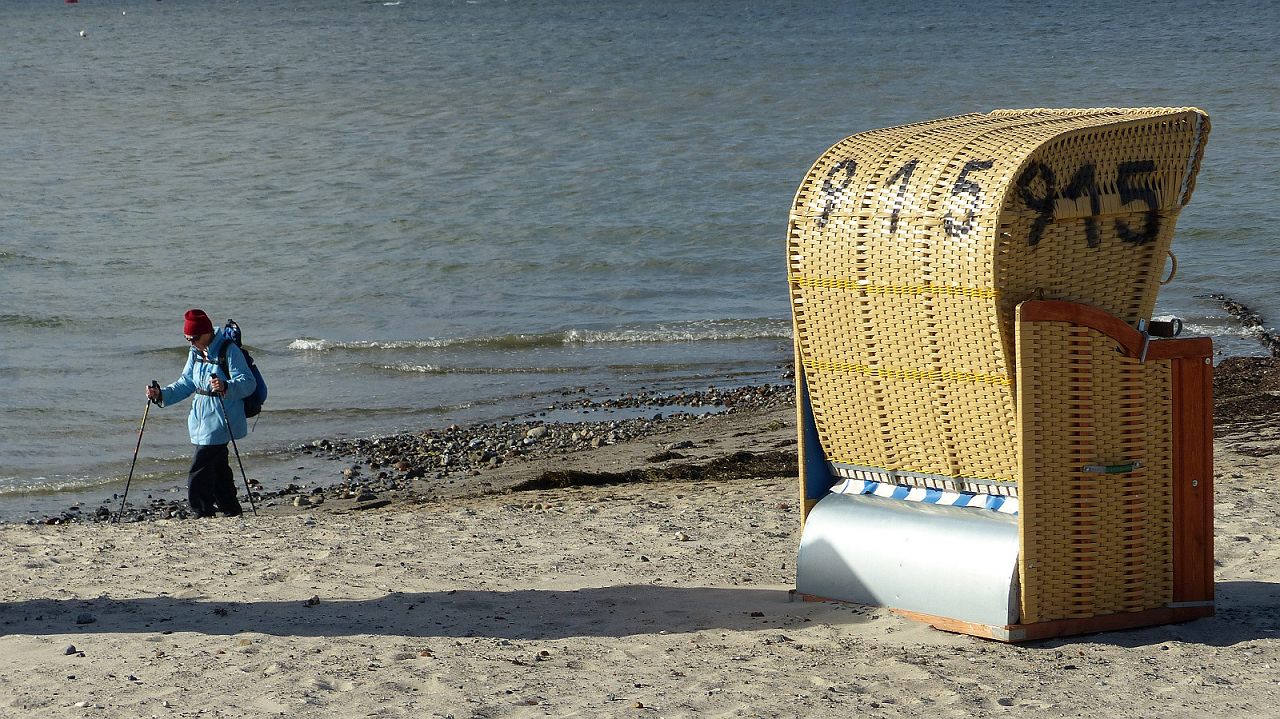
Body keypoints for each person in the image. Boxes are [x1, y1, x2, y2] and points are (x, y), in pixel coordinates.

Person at [146, 309, 256, 518]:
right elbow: (186, 384)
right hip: (201, 420)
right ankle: (231, 509)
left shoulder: (228, 350)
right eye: (187, 339)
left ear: (207, 333)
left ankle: (201, 511)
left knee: (200, 468)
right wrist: (161, 395)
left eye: (194, 338)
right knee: (218, 468)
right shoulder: (195, 353)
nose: (191, 342)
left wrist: (225, 386)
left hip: (223, 419)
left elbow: (248, 383)